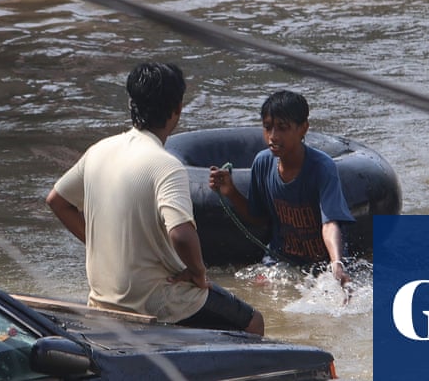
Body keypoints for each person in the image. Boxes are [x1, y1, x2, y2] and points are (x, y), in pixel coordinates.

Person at [46, 62, 265, 335]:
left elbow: (57, 201)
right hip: (156, 302)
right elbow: (182, 235)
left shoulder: (98, 151)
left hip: (103, 298)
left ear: (131, 103)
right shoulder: (166, 165)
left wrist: (99, 244)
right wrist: (198, 273)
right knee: (254, 322)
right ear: (178, 110)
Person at [208, 90, 355, 286]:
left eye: (282, 128)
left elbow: (330, 223)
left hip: (320, 263)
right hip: (280, 260)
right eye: (268, 128)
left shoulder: (322, 167)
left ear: (303, 128)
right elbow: (258, 217)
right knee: (252, 290)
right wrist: (231, 192)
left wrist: (336, 263)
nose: (273, 136)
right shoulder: (262, 163)